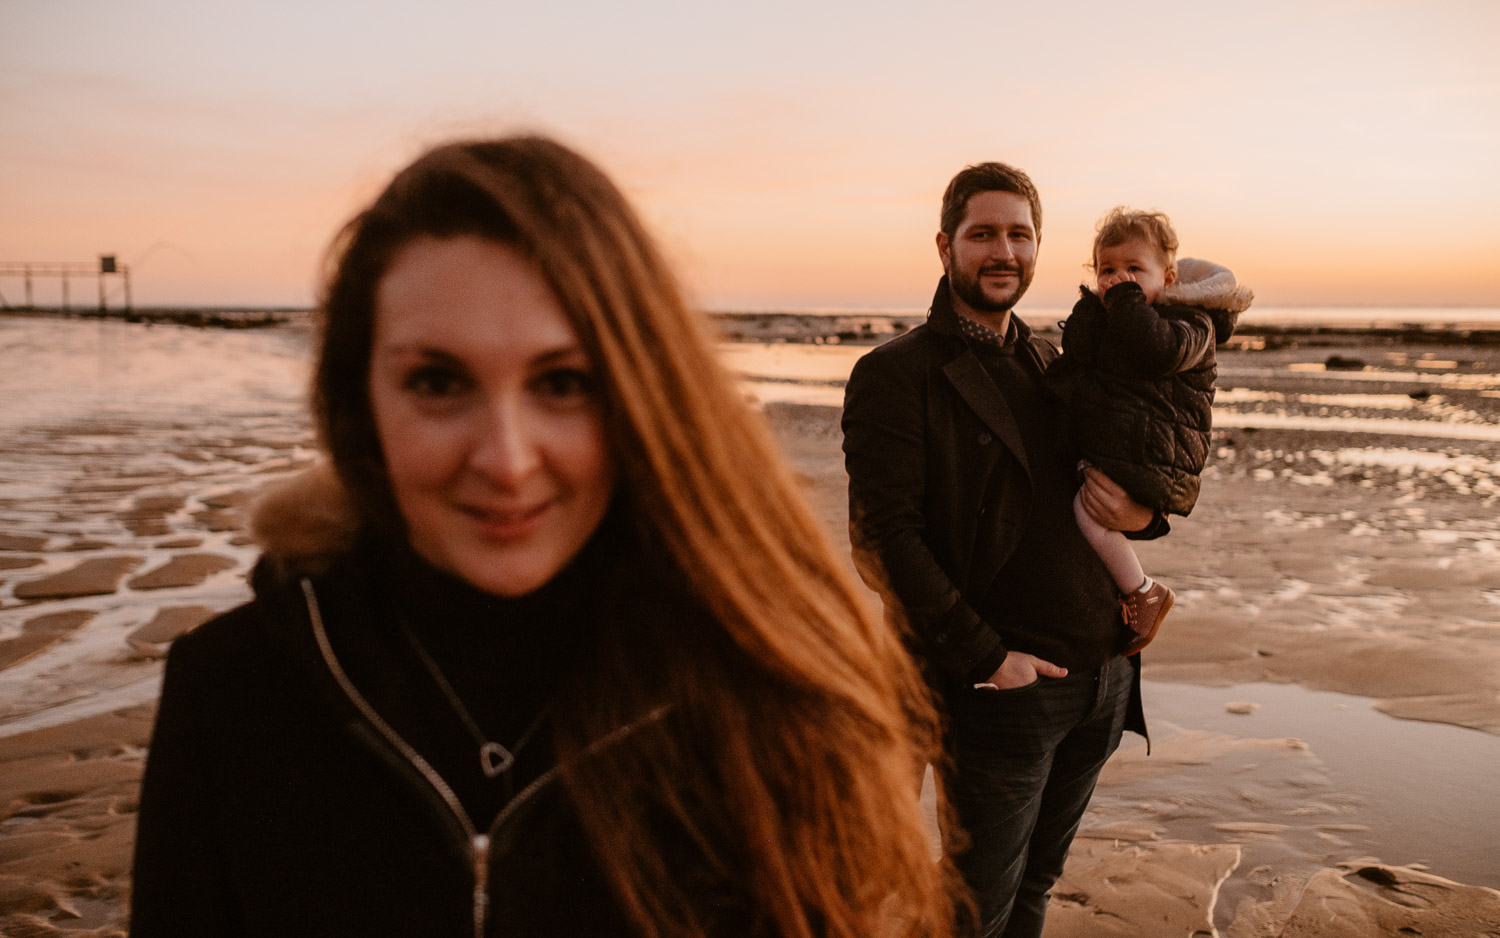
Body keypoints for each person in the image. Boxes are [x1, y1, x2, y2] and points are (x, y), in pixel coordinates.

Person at [131, 136, 960, 938]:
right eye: (437, 381)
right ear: (359, 405)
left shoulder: (756, 694)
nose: (506, 460)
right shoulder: (230, 693)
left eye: (563, 382)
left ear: (642, 397)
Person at [841, 162, 1167, 938]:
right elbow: (883, 542)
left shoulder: (1050, 359)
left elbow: (1117, 474)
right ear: (946, 245)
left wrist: (1145, 516)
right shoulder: (897, 374)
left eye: (1019, 235)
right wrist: (989, 659)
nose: (1003, 251)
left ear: (1039, 246)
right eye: (983, 233)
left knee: (1035, 893)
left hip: (1103, 680)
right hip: (1005, 696)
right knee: (972, 912)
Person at [1046, 207, 1251, 654]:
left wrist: (1122, 303)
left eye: (1135, 269)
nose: (1119, 279)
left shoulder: (1192, 324)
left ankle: (1142, 590)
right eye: (1107, 270)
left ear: (1169, 278)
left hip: (1156, 455)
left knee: (1086, 512)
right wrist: (1091, 308)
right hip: (1123, 446)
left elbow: (1157, 351)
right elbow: (1078, 355)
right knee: (1082, 507)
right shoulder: (1116, 318)